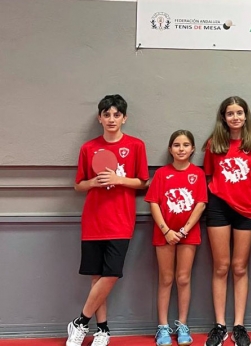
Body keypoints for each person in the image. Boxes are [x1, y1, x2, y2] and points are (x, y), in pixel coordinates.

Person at [66, 94, 149, 346]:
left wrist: (118, 179)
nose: (111, 119)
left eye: (116, 115)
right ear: (99, 118)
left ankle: (80, 321)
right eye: (106, 114)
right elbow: (78, 185)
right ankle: (102, 330)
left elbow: (143, 182)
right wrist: (94, 182)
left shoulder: (136, 145)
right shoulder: (88, 148)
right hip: (93, 221)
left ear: (124, 118)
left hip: (121, 221)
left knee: (111, 274)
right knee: (96, 276)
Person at [202, 96, 251, 346]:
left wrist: (249, 200)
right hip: (218, 208)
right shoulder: (213, 144)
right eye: (230, 113)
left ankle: (239, 325)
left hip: (247, 209)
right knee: (221, 267)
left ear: (246, 116)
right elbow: (208, 176)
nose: (235, 117)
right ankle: (220, 325)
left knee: (240, 268)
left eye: (240, 112)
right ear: (223, 117)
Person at [146, 130, 208, 346]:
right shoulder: (162, 174)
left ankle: (183, 324)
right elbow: (153, 202)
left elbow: (200, 204)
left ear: (192, 149)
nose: (181, 149)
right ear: (170, 149)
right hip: (164, 234)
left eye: (186, 145)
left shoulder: (197, 174)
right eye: (176, 145)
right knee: (166, 279)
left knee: (183, 278)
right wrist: (166, 230)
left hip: (188, 234)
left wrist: (182, 231)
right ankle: (162, 327)